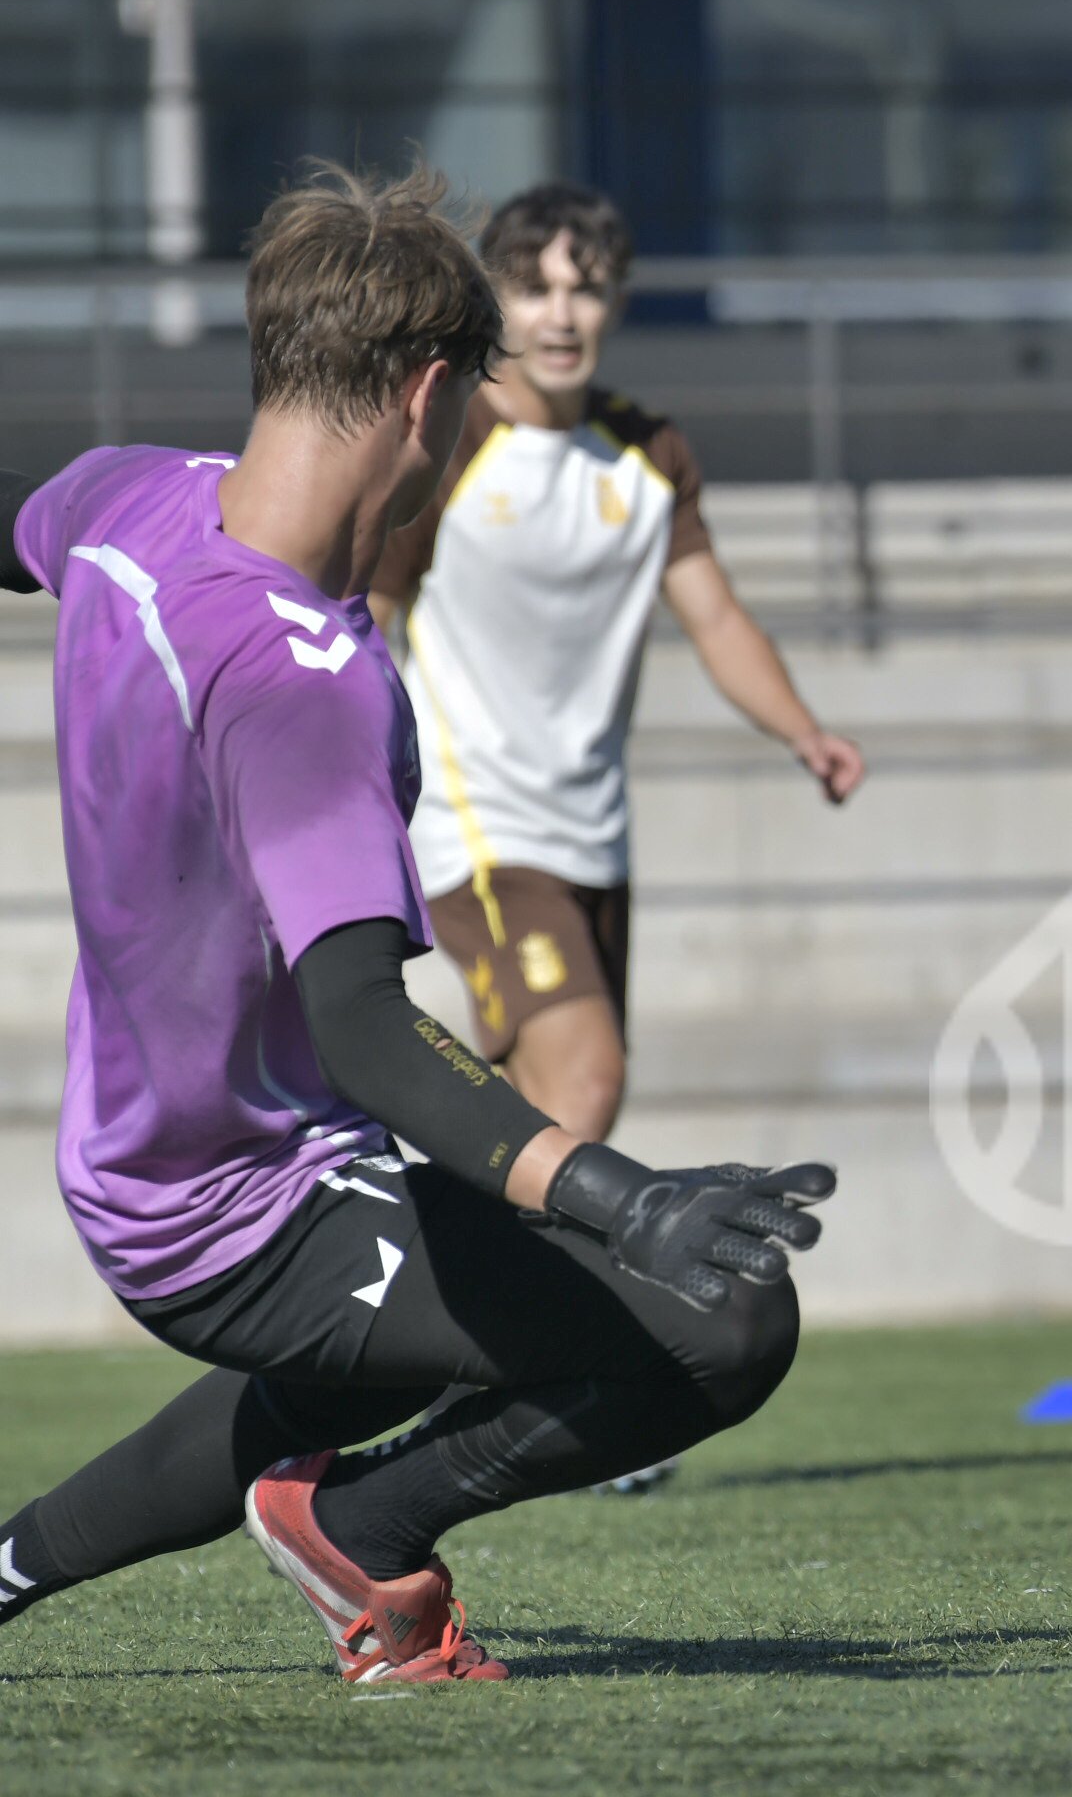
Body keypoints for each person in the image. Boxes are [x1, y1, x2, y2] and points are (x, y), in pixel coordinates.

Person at [0, 166, 834, 1682]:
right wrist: (621, 1198)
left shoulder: (124, 500)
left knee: (345, 1366)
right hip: (243, 1203)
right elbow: (367, 1030)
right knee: (727, 1325)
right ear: (430, 393)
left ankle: (7, 1567)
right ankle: (372, 1538)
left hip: (156, 1156)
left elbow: (16, 530)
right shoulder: (303, 675)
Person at [369, 182, 864, 1149]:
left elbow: (715, 618)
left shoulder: (648, 452)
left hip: (596, 833)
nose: (561, 316)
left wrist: (804, 732)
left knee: (544, 1120)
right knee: (588, 1078)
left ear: (617, 305)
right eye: (535, 289)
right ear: (493, 302)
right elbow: (368, 618)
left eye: (586, 291)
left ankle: (471, 1294)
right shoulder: (447, 442)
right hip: (481, 835)